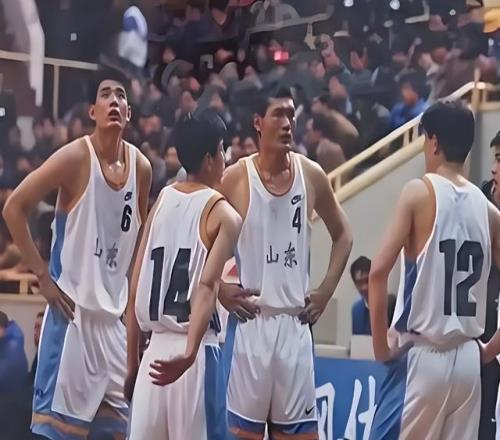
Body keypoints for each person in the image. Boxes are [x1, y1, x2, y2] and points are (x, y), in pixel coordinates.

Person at [3, 69, 152, 440]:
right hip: (73, 322)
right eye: (106, 94)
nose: (114, 101)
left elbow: (138, 248)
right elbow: (14, 207)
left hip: (114, 327)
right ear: (92, 111)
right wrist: (42, 277)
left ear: (129, 113)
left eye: (121, 95)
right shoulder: (74, 157)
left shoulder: (142, 168)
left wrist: (134, 312)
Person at [219, 88, 353, 439]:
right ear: (258, 123)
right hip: (251, 326)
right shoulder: (235, 177)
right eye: (278, 114)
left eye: (291, 115)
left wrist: (325, 290)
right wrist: (217, 289)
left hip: (294, 326)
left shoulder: (311, 174)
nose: (287, 123)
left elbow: (344, 235)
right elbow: (197, 238)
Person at [369, 100, 500, 439]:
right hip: (468, 361)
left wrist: (381, 347)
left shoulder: (418, 192)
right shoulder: (489, 211)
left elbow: (378, 272)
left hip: (423, 356)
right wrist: (491, 348)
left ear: (435, 142)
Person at [125, 111, 242, 439]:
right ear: (209, 159)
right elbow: (206, 285)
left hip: (153, 356)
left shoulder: (163, 197)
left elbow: (135, 286)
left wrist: (132, 363)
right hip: (196, 353)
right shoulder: (226, 215)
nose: (226, 157)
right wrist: (189, 353)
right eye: (222, 149)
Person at [351, 256, 396, 336]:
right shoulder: (356, 310)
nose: (364, 287)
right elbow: (357, 340)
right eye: (359, 282)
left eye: (367, 280)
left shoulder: (391, 303)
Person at [30, 310, 44, 383]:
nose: (35, 332)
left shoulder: (47, 357)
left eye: (38, 327)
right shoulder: (39, 352)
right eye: (35, 327)